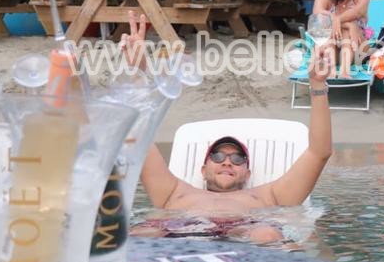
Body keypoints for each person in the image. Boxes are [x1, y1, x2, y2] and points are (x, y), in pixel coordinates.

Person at [134, 40, 333, 243]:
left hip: (247, 229)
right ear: (203, 170)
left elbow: (319, 152)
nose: (227, 162)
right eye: (218, 155)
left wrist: (317, 85)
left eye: (238, 158)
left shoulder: (270, 196)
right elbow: (139, 138)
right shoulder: (173, 192)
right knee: (142, 232)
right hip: (179, 228)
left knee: (267, 234)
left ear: (247, 174)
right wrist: (137, 73)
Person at [312, 0, 371, 79]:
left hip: (358, 49)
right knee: (329, 32)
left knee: (344, 32)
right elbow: (317, 15)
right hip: (332, 51)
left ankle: (345, 72)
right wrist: (347, 25)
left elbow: (356, 12)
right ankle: (332, 71)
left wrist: (337, 20)